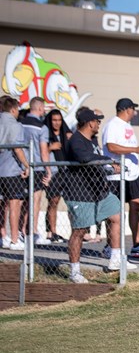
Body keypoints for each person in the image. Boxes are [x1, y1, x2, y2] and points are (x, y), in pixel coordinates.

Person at [64, 107, 136, 283]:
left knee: (117, 216)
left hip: (100, 191)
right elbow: (84, 158)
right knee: (79, 232)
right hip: (80, 193)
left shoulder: (93, 140)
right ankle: (75, 271)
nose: (99, 124)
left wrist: (110, 167)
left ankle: (115, 259)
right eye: (97, 121)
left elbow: (97, 160)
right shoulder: (76, 140)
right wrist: (110, 161)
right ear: (90, 123)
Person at [101, 98, 139, 258]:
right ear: (126, 109)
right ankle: (110, 246)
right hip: (117, 176)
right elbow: (111, 146)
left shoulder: (127, 126)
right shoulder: (113, 125)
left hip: (132, 173)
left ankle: (137, 245)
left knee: (136, 206)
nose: (134, 112)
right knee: (114, 211)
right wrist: (135, 149)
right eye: (133, 109)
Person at [19, 96, 52, 245]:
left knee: (21, 200)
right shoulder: (42, 127)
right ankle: (31, 232)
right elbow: (43, 150)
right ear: (39, 108)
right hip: (36, 166)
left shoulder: (20, 124)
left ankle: (21, 231)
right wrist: (48, 169)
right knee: (35, 200)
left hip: (20, 165)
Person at [0, 96, 30, 251]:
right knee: (14, 203)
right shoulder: (16, 125)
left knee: (1, 205)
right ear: (13, 109)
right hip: (11, 169)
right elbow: (17, 148)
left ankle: (3, 236)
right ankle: (13, 239)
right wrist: (27, 165)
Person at [44, 108, 71, 243]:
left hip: (66, 172)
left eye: (59, 120)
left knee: (71, 202)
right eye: (54, 120)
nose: (57, 123)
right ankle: (52, 232)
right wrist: (50, 147)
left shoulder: (66, 134)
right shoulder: (46, 134)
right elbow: (40, 151)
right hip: (53, 172)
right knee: (53, 201)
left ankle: (75, 232)